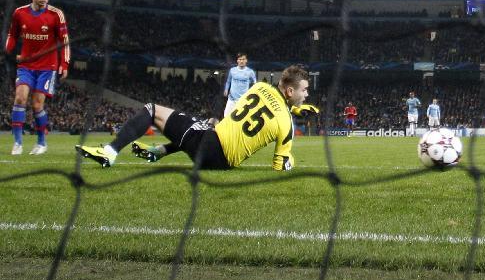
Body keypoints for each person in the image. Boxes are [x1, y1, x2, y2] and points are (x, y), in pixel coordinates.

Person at [76, 65, 311, 170]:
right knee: (201, 127)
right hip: (222, 162)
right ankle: (152, 152)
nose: (307, 94)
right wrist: (290, 162)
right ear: (290, 92)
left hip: (208, 144)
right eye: (304, 90)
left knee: (151, 109)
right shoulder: (286, 124)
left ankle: (112, 151)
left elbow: (252, 112)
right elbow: (280, 166)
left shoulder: (258, 87)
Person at [5, 0, 70, 156]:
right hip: (26, 64)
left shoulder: (56, 14)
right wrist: (6, 52)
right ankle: (17, 143)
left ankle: (41, 142)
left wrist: (64, 64)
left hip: (47, 66)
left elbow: (64, 42)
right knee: (20, 98)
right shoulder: (19, 13)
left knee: (37, 104)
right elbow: (12, 35)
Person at [223, 53, 256, 118]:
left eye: (243, 59)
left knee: (242, 119)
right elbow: (228, 81)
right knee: (226, 117)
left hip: (243, 99)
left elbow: (255, 83)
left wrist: (252, 92)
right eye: (240, 59)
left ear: (246, 60)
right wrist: (226, 89)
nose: (241, 61)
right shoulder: (232, 70)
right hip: (232, 99)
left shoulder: (250, 72)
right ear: (237, 60)